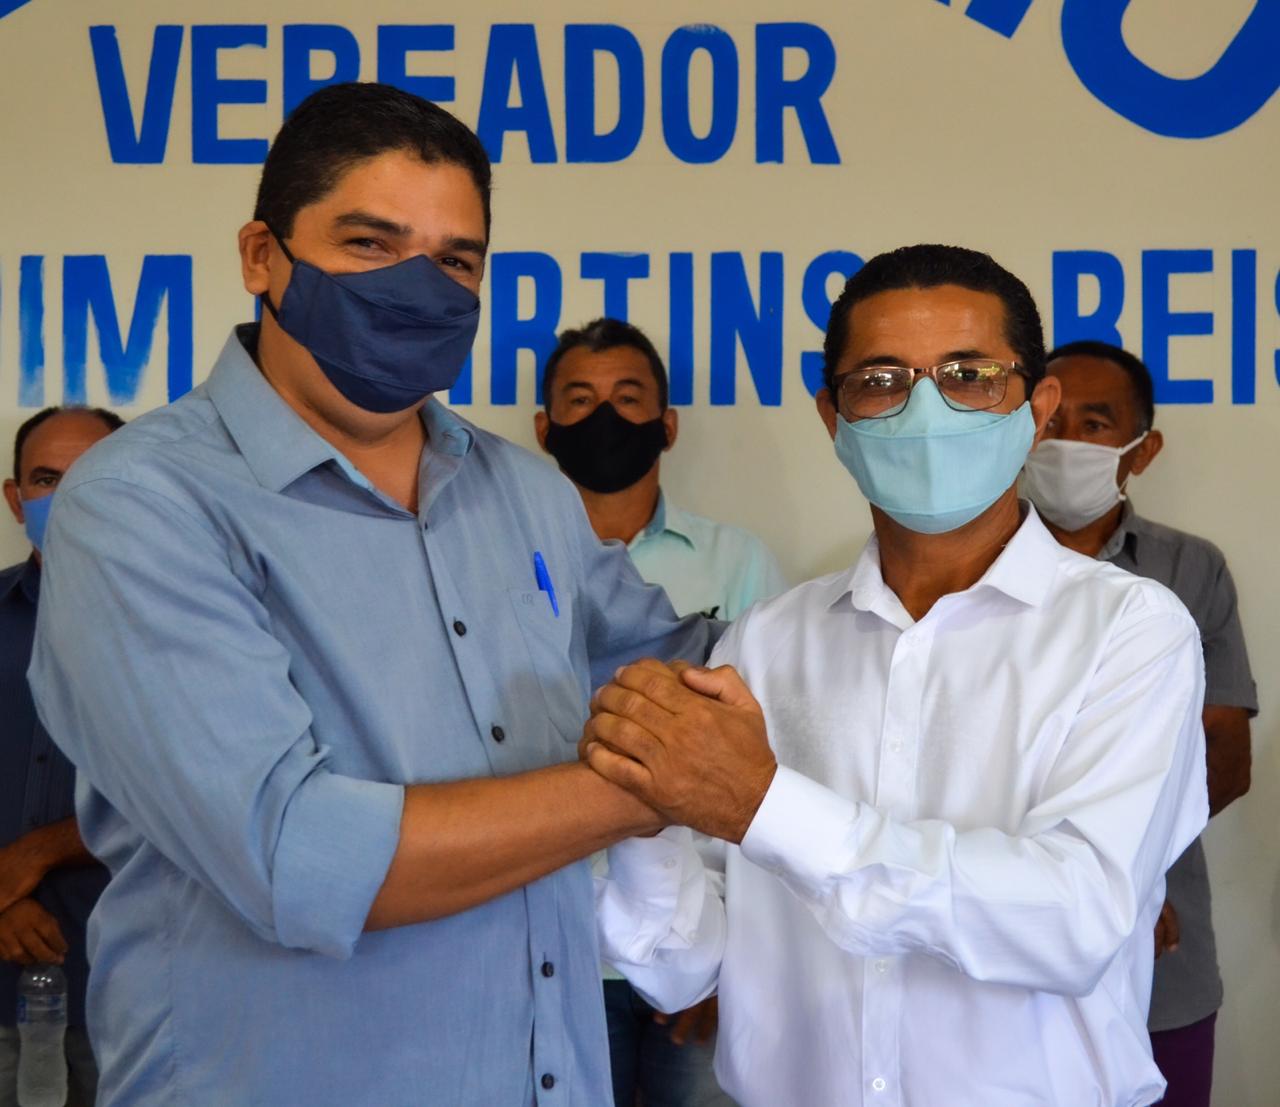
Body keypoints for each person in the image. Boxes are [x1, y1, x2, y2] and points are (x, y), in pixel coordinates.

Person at [27, 83, 716, 1107]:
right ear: (261, 256)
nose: (417, 288)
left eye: (455, 261)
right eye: (368, 244)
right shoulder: (140, 504)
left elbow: (680, 669)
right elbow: (296, 856)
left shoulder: (527, 493)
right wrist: (660, 784)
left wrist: (908, 600)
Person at [585, 245, 1209, 1107]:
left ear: (1037, 407)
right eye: (881, 381)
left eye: (969, 376)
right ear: (832, 418)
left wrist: (766, 804)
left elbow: (1075, 918)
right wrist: (645, 796)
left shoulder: (1130, 631)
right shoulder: (766, 643)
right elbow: (679, 965)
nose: (925, 409)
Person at [537, 317, 785, 1107]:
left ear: (667, 424)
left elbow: (771, 751)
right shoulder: (506, 562)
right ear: (543, 428)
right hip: (553, 935)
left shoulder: (737, 561)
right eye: (580, 399)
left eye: (627, 396)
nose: (604, 416)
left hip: (699, 925)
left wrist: (728, 953)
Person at [1022, 339, 1256, 1107]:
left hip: (1163, 949)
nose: (1066, 444)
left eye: (1095, 424)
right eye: (1051, 422)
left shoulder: (1191, 570)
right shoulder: (961, 566)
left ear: (1142, 449)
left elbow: (1225, 757)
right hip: (1002, 948)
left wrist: (1129, 876)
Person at [0, 406, 121, 1107]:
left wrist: (41, 850)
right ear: (15, 499)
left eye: (92, 475)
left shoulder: (190, 629)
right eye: (47, 480)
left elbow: (209, 799)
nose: (68, 497)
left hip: (130, 997)